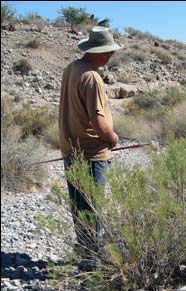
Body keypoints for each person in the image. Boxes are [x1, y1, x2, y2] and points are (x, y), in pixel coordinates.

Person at [58, 26, 122, 269]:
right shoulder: (92, 77)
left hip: (71, 150)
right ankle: (93, 265)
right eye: (109, 52)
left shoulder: (71, 69)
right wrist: (113, 138)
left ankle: (85, 258)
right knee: (93, 208)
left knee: (79, 207)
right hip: (91, 154)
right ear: (100, 52)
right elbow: (98, 122)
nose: (110, 57)